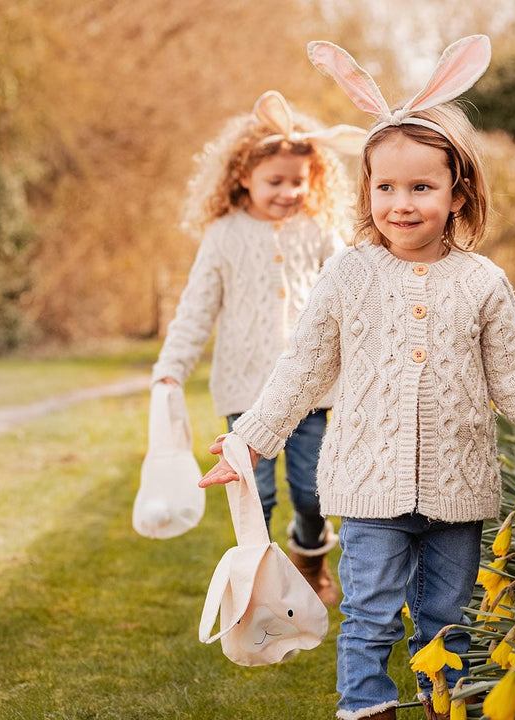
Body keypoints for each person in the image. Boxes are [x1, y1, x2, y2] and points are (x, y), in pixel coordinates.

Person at [199, 36, 515, 720]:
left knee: (449, 617)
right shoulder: (349, 274)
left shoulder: (482, 282)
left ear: (458, 193)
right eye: (386, 187)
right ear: (367, 190)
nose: (401, 203)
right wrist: (251, 440)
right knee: (370, 611)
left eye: (421, 187)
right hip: (370, 487)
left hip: (457, 488)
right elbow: (305, 364)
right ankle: (366, 706)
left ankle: (446, 705)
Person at [152, 90, 364, 607]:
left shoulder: (317, 231)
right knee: (256, 493)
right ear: (243, 176)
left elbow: (353, 295)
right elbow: (196, 310)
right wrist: (170, 369)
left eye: (299, 181)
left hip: (310, 391)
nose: (290, 192)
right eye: (277, 181)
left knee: (313, 492)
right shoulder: (223, 236)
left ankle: (310, 558)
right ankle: (260, 583)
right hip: (245, 392)